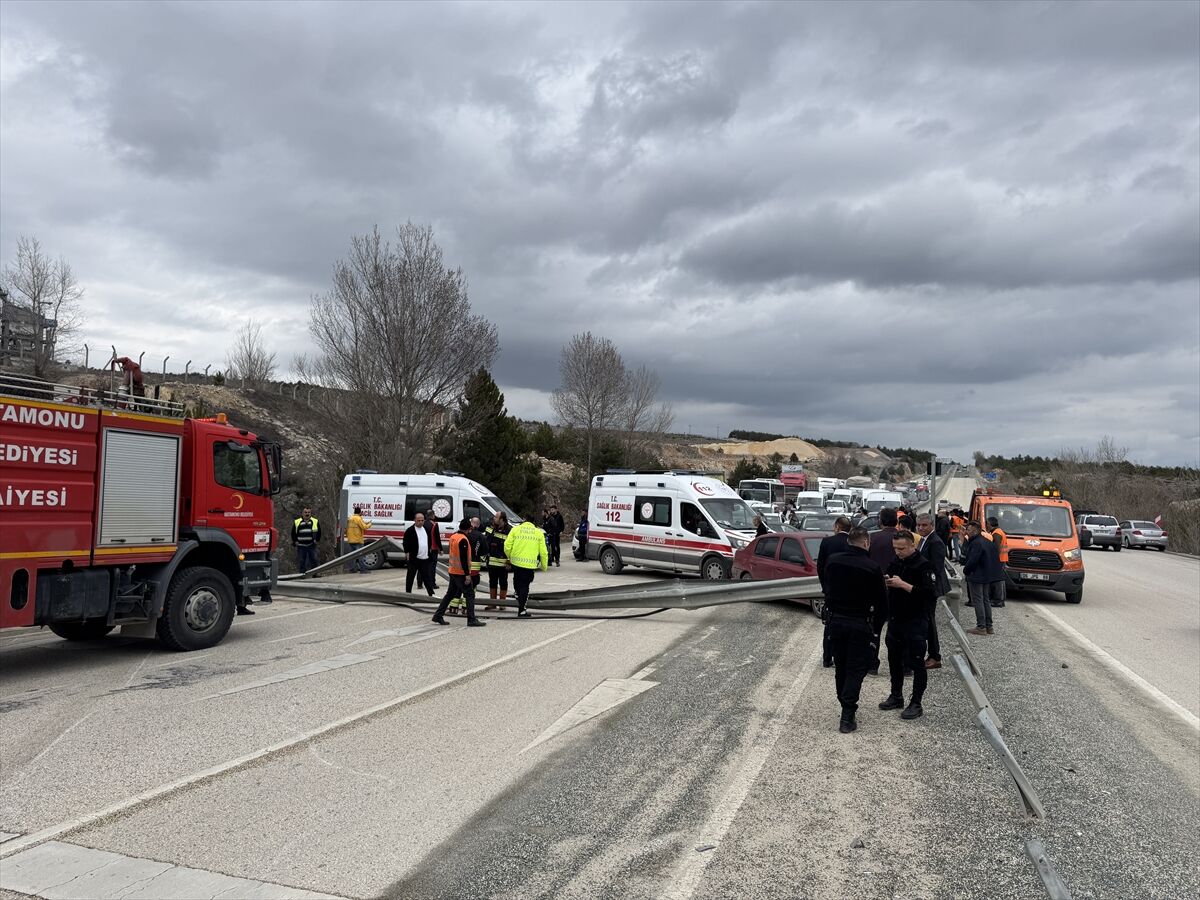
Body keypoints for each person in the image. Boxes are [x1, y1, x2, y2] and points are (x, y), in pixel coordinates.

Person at [822, 526, 888, 734]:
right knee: (856, 669)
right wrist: (876, 630)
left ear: (848, 541)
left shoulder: (833, 561)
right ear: (866, 542)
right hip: (860, 623)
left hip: (836, 621)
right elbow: (882, 604)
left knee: (841, 666)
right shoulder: (872, 567)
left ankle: (844, 702)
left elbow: (827, 588)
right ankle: (847, 714)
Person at [879, 530, 937, 720]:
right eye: (895, 548)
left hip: (915, 621)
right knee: (894, 661)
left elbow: (930, 595)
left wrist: (904, 585)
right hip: (896, 620)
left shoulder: (924, 566)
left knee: (916, 663)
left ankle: (916, 702)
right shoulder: (896, 562)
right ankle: (896, 695)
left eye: (902, 548)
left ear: (912, 545)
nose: (898, 552)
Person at [431, 518, 485, 627]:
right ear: (468, 529)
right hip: (460, 573)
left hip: (452, 570)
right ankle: (471, 619)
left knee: (450, 594)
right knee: (469, 594)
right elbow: (464, 559)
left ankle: (438, 615)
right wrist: (467, 575)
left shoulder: (454, 537)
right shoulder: (463, 540)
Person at [866, 507, 900, 675]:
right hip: (899, 589)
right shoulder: (905, 539)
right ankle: (904, 666)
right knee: (900, 630)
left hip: (876, 590)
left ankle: (872, 664)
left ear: (880, 521)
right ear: (897, 521)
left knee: (874, 629)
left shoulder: (873, 538)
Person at [816, 516, 853, 668]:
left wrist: (825, 585)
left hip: (832, 590)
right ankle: (844, 657)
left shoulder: (827, 542)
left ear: (837, 527)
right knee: (849, 623)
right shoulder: (853, 543)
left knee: (830, 624)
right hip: (850, 591)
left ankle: (827, 657)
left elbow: (820, 566)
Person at [916, 514, 950, 669]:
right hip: (924, 587)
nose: (921, 528)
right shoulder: (924, 540)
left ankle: (935, 656)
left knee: (930, 622)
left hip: (930, 588)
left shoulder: (936, 542)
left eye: (924, 525)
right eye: (919, 525)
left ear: (932, 526)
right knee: (926, 620)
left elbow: (936, 567)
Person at [962, 521, 1003, 635]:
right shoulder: (987, 542)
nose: (967, 532)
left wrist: (966, 571)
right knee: (985, 600)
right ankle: (989, 627)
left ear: (974, 531)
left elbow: (972, 560)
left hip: (977, 575)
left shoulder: (976, 543)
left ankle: (981, 627)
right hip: (987, 575)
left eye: (968, 530)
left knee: (978, 600)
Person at [505, 515, 549, 618]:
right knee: (525, 587)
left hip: (516, 562)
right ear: (533, 522)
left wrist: (509, 556)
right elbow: (543, 552)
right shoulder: (538, 533)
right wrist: (544, 566)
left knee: (517, 581)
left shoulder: (515, 530)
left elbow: (507, 545)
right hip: (529, 565)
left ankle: (517, 593)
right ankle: (522, 611)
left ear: (524, 520)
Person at [483, 511, 511, 612]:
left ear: (502, 519)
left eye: (496, 517)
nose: (494, 518)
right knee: (492, 582)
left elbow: (512, 546)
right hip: (491, 562)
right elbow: (486, 541)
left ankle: (502, 603)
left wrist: (509, 561)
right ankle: (493, 603)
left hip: (503, 563)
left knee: (503, 583)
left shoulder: (509, 530)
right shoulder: (490, 527)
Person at [402, 512, 435, 596]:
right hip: (414, 558)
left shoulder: (426, 529)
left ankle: (431, 594)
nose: (420, 522)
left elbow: (429, 541)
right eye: (418, 520)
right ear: (414, 520)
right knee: (410, 577)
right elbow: (405, 542)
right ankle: (408, 594)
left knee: (427, 577)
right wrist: (407, 552)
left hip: (425, 558)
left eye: (422, 520)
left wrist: (429, 551)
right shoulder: (410, 531)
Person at [291, 506, 321, 574]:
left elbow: (319, 532)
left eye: (308, 512)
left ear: (310, 513)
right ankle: (302, 575)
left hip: (311, 544)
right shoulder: (297, 522)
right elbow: (293, 533)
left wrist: (317, 540)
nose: (307, 514)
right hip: (301, 545)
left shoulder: (315, 521)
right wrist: (295, 541)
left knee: (314, 559)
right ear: (302, 513)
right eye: (305, 512)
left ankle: (315, 574)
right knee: (302, 560)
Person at [986, 516, 1008, 607]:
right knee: (1000, 580)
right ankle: (1000, 600)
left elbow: (996, 549)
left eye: (987, 524)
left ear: (990, 524)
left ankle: (998, 600)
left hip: (998, 559)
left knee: (997, 581)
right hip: (1001, 559)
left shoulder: (996, 534)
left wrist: (992, 561)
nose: (986, 526)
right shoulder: (998, 532)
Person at [344, 506, 373, 574]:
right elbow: (364, 527)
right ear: (360, 512)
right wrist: (370, 524)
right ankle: (363, 570)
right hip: (358, 540)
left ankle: (352, 569)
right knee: (360, 555)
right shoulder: (358, 519)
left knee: (353, 556)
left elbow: (346, 529)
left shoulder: (350, 519)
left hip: (351, 540)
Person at [426, 511, 443, 589]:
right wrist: (441, 549)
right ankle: (432, 584)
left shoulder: (424, 523)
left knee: (424, 565)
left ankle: (420, 583)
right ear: (432, 516)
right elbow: (437, 538)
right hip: (433, 548)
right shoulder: (434, 525)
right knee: (432, 567)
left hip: (425, 548)